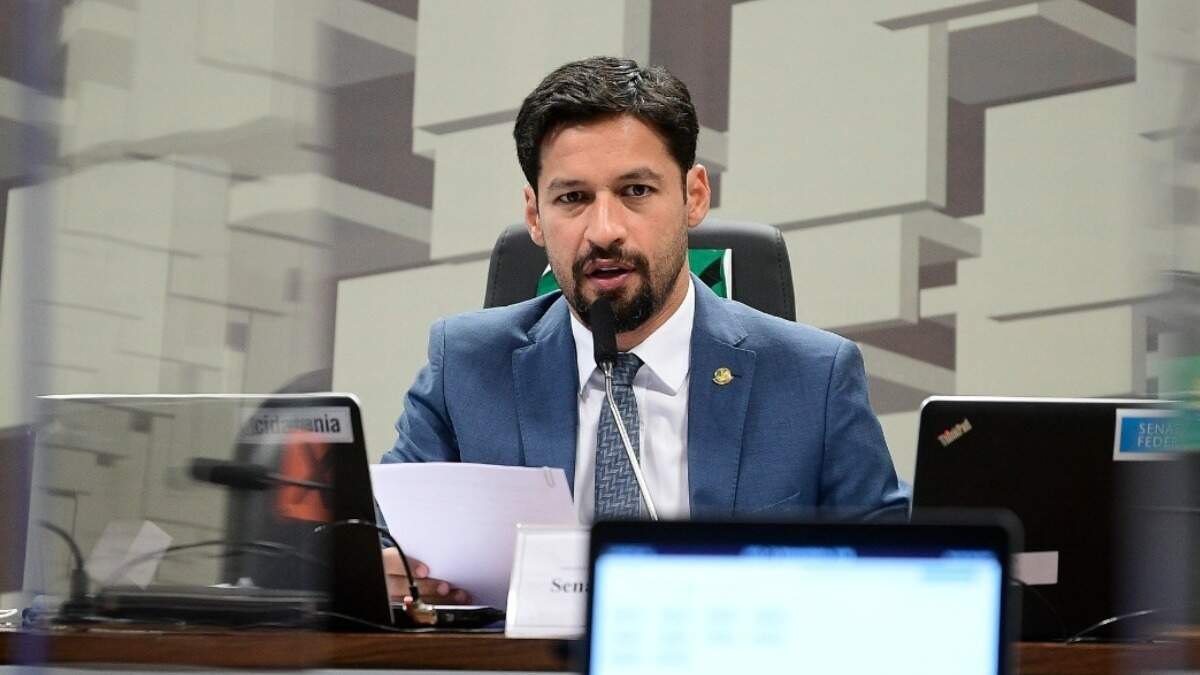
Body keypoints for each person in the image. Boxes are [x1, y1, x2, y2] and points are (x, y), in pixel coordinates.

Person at [379, 56, 908, 603]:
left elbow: (895, 573)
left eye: (635, 191)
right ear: (535, 215)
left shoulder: (813, 378)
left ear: (694, 196)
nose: (604, 231)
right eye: (572, 198)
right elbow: (379, 538)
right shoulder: (465, 367)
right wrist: (388, 574)